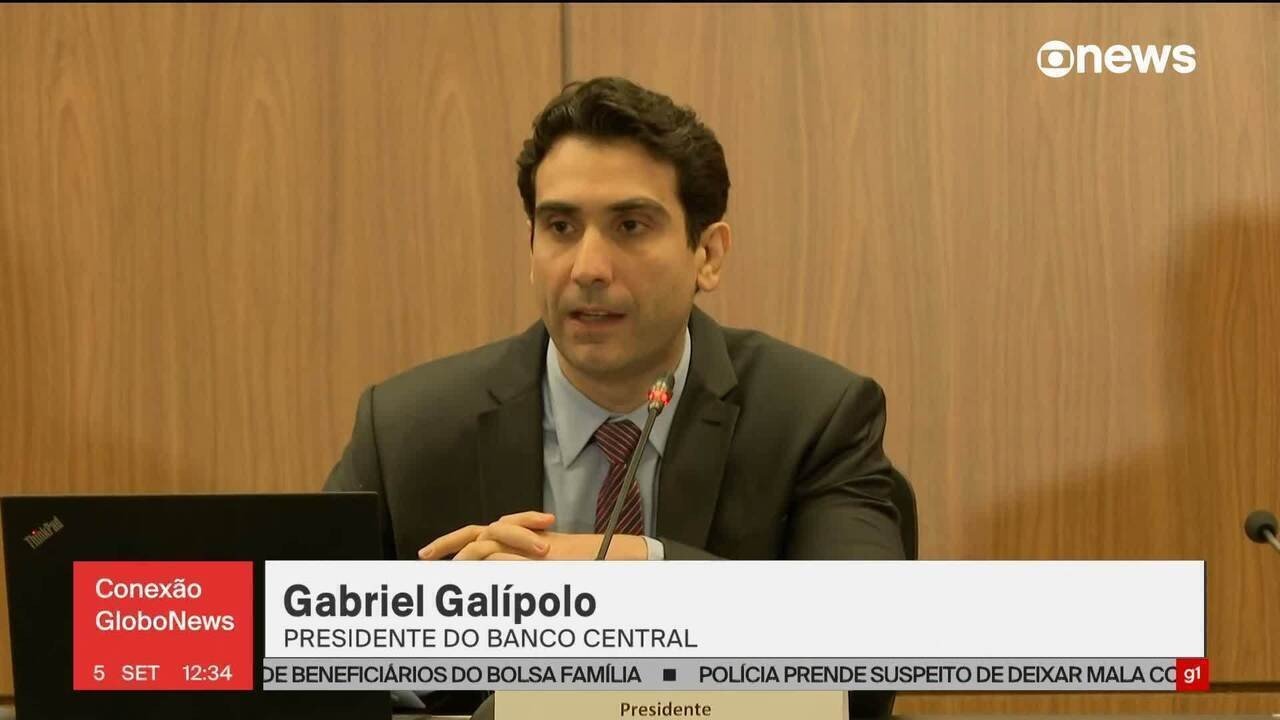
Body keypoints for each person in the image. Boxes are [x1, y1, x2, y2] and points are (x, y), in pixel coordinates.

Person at [325, 76, 909, 716]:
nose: (588, 268)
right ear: (531, 247)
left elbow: (867, 658)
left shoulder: (813, 417)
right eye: (560, 226)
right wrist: (425, 633)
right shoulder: (408, 428)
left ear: (708, 254)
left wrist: (630, 570)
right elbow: (278, 648)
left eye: (630, 225)